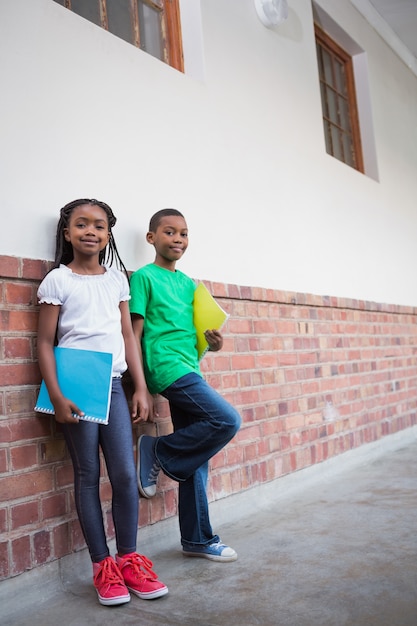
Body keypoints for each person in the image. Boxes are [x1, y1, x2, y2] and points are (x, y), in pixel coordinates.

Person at [37, 198, 168, 606]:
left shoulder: (117, 280)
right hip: (76, 388)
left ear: (108, 233)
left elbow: (129, 336)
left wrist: (140, 388)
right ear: (67, 232)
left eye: (99, 225)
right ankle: (103, 566)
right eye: (81, 225)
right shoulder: (57, 280)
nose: (90, 231)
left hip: (112, 385)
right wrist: (57, 395)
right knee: (88, 474)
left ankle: (129, 559)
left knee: (126, 477)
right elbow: (44, 342)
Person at [130, 208, 241, 562]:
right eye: (169, 232)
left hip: (189, 365)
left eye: (183, 233)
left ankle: (197, 540)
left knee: (197, 457)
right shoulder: (144, 278)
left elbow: (194, 335)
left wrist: (213, 342)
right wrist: (140, 386)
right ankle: (158, 449)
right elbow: (133, 333)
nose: (177, 239)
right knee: (226, 420)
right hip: (165, 366)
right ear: (152, 238)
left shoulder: (191, 285)